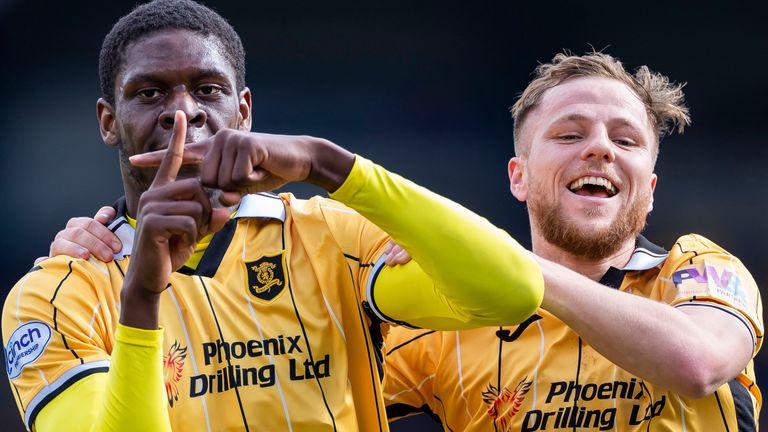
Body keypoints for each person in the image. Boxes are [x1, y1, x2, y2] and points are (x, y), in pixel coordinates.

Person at [0, 1, 545, 431]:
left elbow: (512, 292)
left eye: (208, 89)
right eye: (149, 92)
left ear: (244, 111)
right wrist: (140, 301)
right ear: (108, 120)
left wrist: (327, 162)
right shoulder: (56, 294)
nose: (183, 111)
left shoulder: (330, 237)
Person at [380, 52, 763, 431]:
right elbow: (329, 387)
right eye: (569, 135)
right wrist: (371, 275)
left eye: (626, 140)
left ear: (648, 191)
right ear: (519, 178)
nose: (601, 148)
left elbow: (697, 364)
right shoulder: (450, 320)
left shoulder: (700, 269)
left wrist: (502, 261)